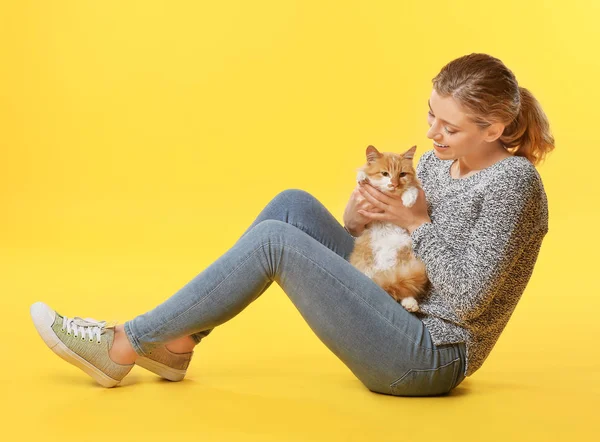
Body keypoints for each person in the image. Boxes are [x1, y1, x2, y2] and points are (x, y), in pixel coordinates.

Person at [30, 53, 554, 396]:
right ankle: (178, 342)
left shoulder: (513, 185)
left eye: (450, 125)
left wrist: (414, 222)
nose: (431, 132)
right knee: (292, 206)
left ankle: (124, 345)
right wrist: (358, 221)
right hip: (392, 301)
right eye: (431, 115)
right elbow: (390, 250)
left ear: (497, 127)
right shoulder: (440, 161)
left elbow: (466, 301)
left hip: (429, 354)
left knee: (276, 243)